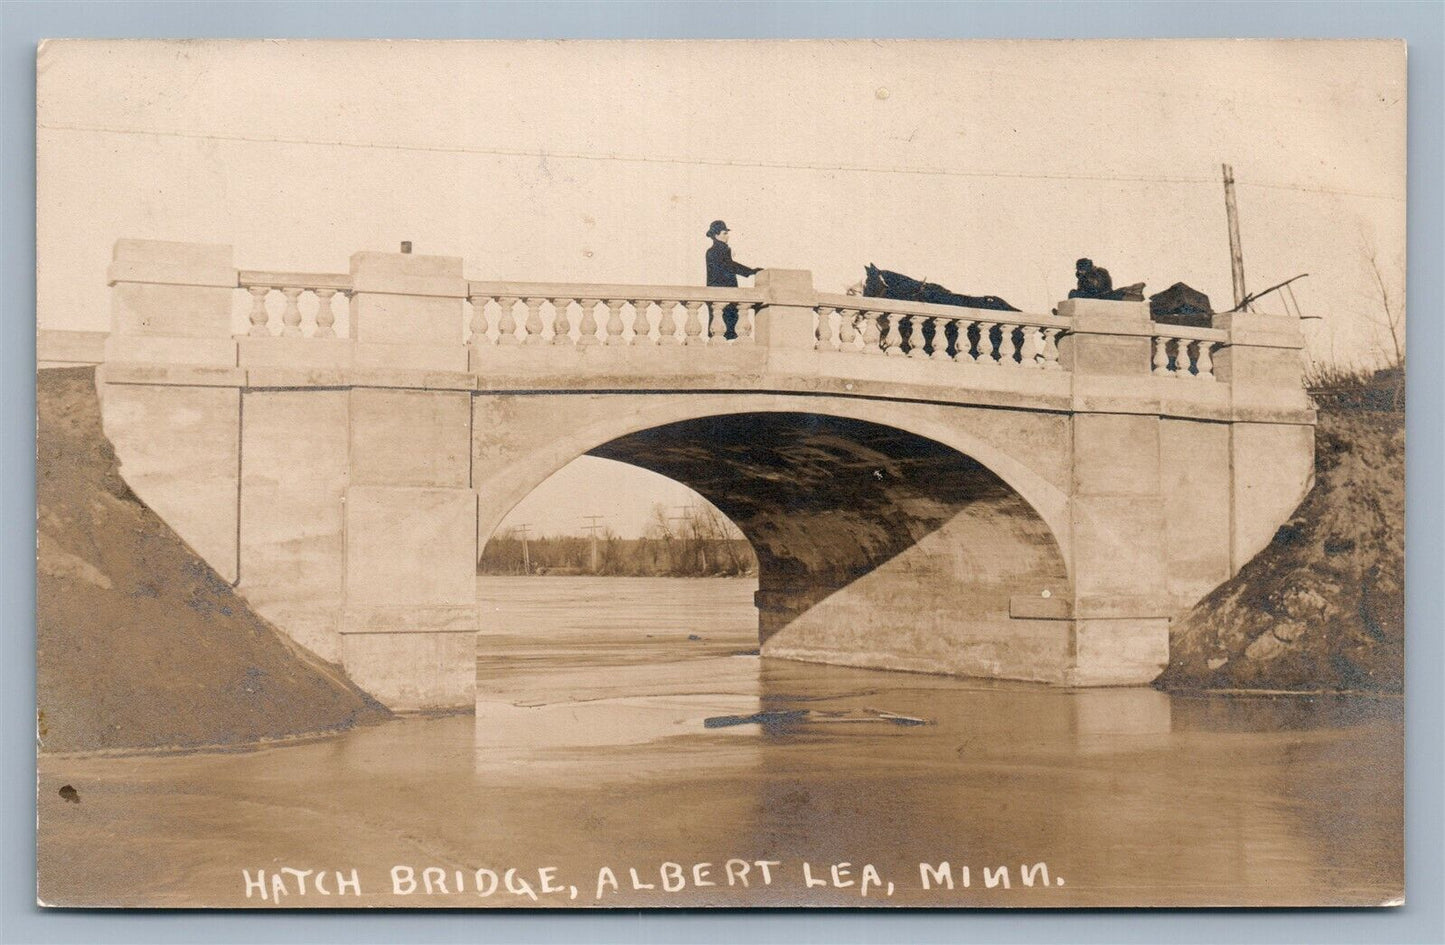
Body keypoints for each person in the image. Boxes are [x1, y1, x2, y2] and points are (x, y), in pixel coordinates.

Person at [705, 220, 761, 339]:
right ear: (716, 235)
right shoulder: (721, 249)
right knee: (727, 329)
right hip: (725, 294)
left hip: (718, 294)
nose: (727, 236)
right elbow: (730, 266)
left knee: (720, 330)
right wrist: (751, 271)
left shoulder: (712, 251)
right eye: (724, 233)